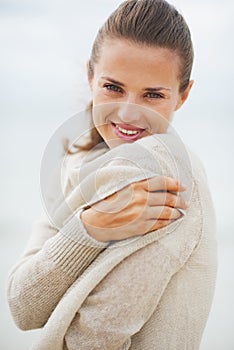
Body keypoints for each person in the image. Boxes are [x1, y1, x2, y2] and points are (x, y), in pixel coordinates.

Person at [7, 0, 217, 349]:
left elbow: (97, 336)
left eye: (152, 95)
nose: (128, 113)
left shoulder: (165, 173)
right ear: (90, 75)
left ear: (183, 95)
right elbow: (22, 306)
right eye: (113, 88)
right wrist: (90, 227)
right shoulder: (80, 164)